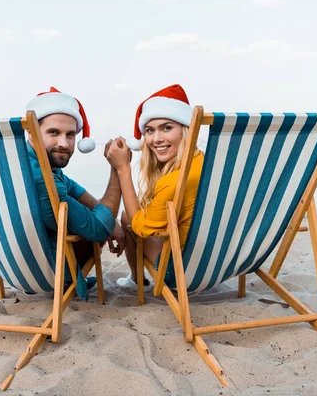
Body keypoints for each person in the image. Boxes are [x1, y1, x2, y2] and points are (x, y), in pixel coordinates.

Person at [26, 87, 125, 298]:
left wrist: (114, 225)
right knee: (93, 233)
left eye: (70, 135)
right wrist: (118, 169)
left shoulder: (22, 162)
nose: (63, 143)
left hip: (9, 266)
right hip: (46, 271)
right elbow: (99, 229)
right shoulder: (42, 179)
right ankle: (68, 280)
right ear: (32, 133)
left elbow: (73, 189)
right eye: (53, 132)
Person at [105, 84, 203, 290]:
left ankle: (136, 279)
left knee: (127, 217)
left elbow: (141, 227)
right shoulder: (205, 163)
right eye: (150, 130)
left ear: (186, 129)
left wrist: (123, 169)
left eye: (167, 128)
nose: (156, 139)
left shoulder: (173, 182)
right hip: (218, 262)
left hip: (182, 271)